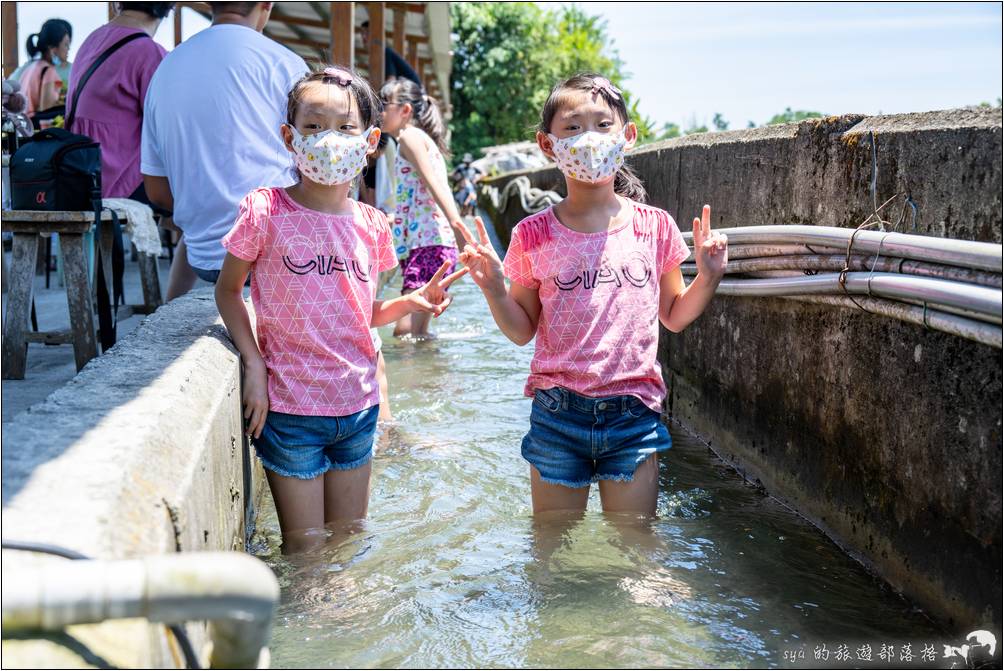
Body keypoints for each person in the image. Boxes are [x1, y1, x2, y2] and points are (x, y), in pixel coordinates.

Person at [214, 67, 466, 552]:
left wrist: (411, 302)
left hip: (358, 408)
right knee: (306, 552)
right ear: (289, 137)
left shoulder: (373, 224)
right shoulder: (265, 210)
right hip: (289, 410)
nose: (328, 140)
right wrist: (254, 364)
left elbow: (360, 311)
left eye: (345, 128)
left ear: (370, 140)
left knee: (349, 543)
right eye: (312, 127)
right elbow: (228, 291)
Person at [459, 73, 729, 517]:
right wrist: (492, 288)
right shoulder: (532, 234)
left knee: (635, 547)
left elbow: (675, 316)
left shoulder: (655, 226)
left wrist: (708, 277)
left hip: (634, 412)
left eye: (603, 125)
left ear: (627, 136)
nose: (589, 138)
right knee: (550, 551)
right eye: (573, 127)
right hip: (557, 414)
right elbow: (521, 330)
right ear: (548, 145)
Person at [141, 1, 309, 300]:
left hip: (203, 256)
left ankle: (168, 307)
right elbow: (314, 171)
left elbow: (157, 192)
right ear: (266, 6)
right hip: (276, 258)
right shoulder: (286, 64)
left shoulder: (165, 69)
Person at [379, 77, 471, 338]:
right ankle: (428, 376)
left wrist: (459, 228)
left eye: (385, 104)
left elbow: (434, 185)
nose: (380, 111)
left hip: (429, 243)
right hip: (426, 242)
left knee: (411, 335)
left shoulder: (409, 137)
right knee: (408, 332)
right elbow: (420, 195)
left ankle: (429, 378)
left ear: (405, 110)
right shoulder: (413, 139)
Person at [67, 2, 173, 203]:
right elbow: (167, 129)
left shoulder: (92, 39)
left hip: (81, 174)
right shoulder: (149, 52)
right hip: (119, 181)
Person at [18, 18, 72, 119]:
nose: (68, 49)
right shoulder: (49, 71)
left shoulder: (30, 68)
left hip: (23, 126)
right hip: (36, 129)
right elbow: (47, 111)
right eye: (66, 44)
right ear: (53, 49)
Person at [360, 20, 421, 86]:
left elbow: (391, 82)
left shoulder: (386, 52)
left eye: (367, 32)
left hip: (413, 92)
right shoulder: (382, 54)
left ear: (376, 34)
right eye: (362, 33)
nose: (363, 37)